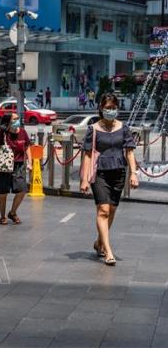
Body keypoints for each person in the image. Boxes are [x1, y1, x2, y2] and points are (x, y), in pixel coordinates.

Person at [80, 93, 138, 266]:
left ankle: (99, 242)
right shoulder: (94, 129)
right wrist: (84, 179)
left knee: (111, 210)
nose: (110, 111)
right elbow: (88, 155)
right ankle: (108, 251)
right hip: (100, 173)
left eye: (113, 108)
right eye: (107, 108)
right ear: (101, 108)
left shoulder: (123, 128)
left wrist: (133, 173)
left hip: (119, 171)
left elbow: (129, 151)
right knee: (103, 210)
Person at [0, 113, 32, 225]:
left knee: (22, 190)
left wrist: (30, 162)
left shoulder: (22, 132)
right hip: (4, 166)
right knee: (3, 192)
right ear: (8, 122)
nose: (17, 120)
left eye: (18, 118)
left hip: (19, 165)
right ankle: (2, 216)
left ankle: (12, 212)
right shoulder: (3, 133)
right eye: (14, 119)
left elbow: (27, 146)